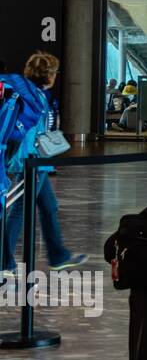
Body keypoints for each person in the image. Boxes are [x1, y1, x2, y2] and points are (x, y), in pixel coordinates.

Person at [1, 53, 87, 280]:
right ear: (48, 75)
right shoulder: (33, 97)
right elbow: (29, 134)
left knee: (49, 207)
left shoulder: (32, 93)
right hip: (31, 162)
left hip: (37, 161)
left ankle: (58, 256)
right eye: (55, 72)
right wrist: (34, 162)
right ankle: (4, 262)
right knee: (20, 210)